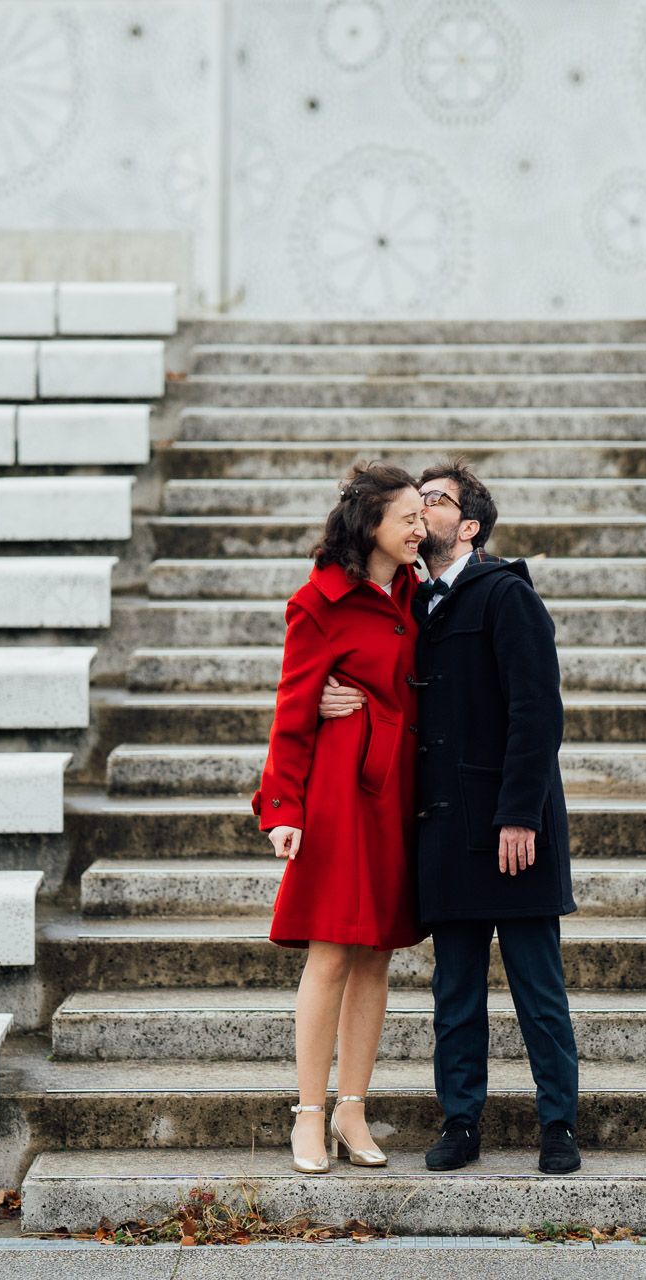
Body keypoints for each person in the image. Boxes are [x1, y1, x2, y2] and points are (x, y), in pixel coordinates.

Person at [319, 459, 580, 1175]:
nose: (416, 512)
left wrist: (520, 816)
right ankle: (460, 1122)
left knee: (538, 990)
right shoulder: (410, 604)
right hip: (443, 830)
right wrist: (319, 697)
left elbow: (538, 711)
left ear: (467, 527)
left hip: (511, 831)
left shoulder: (506, 596)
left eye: (432, 502)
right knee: (454, 996)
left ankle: (559, 1125)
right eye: (410, 504)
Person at [252, 461, 428, 1175]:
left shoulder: (421, 594)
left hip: (399, 791)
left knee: (378, 951)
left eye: (424, 515)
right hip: (336, 789)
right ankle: (308, 1113)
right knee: (330, 951)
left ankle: (354, 1109)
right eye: (410, 518)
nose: (422, 527)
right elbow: (291, 711)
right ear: (372, 526)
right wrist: (282, 807)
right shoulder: (317, 603)